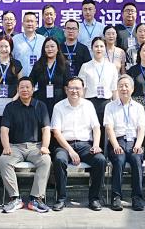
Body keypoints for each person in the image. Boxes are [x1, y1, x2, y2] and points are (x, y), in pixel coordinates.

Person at [50, 77, 107, 211]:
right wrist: (71, 151)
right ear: (66, 90)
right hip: (64, 145)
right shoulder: (59, 106)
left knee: (100, 160)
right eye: (71, 88)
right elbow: (56, 132)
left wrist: (96, 145)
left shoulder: (88, 105)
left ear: (83, 90)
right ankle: (61, 199)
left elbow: (96, 127)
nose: (74, 91)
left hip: (85, 145)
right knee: (59, 159)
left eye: (77, 88)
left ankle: (94, 199)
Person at [0, 79, 52, 214]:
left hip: (35, 147)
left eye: (28, 87)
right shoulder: (10, 107)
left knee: (46, 160)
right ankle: (15, 198)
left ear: (33, 89)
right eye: (22, 87)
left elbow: (46, 129)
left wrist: (45, 146)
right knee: (4, 160)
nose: (25, 90)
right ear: (18, 89)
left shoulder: (40, 106)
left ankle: (35, 199)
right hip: (15, 147)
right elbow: (4, 129)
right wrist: (6, 146)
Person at [103, 75, 145, 211]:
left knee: (136, 160)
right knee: (119, 160)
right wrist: (115, 145)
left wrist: (138, 145)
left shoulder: (139, 107)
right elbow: (109, 128)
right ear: (117, 88)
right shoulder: (110, 106)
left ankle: (137, 197)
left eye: (126, 86)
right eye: (121, 86)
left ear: (132, 89)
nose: (124, 88)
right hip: (118, 141)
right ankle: (116, 197)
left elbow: (141, 128)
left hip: (134, 141)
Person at [79, 37, 117, 126]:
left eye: (101, 46)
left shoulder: (111, 67)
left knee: (106, 130)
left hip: (106, 104)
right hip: (90, 103)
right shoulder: (85, 66)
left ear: (105, 48)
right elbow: (82, 89)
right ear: (92, 48)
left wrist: (116, 106)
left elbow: (114, 89)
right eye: (96, 46)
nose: (99, 49)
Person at [28, 37, 69, 115]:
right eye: (47, 47)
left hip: (59, 101)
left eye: (52, 46)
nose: (50, 49)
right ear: (44, 49)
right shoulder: (38, 64)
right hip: (42, 100)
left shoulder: (64, 64)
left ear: (57, 49)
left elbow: (67, 84)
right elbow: (31, 82)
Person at [0, 36, 24, 101]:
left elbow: (21, 83)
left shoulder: (16, 64)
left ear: (11, 47)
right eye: (1, 46)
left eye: (6, 46)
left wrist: (16, 96)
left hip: (13, 101)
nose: (3, 49)